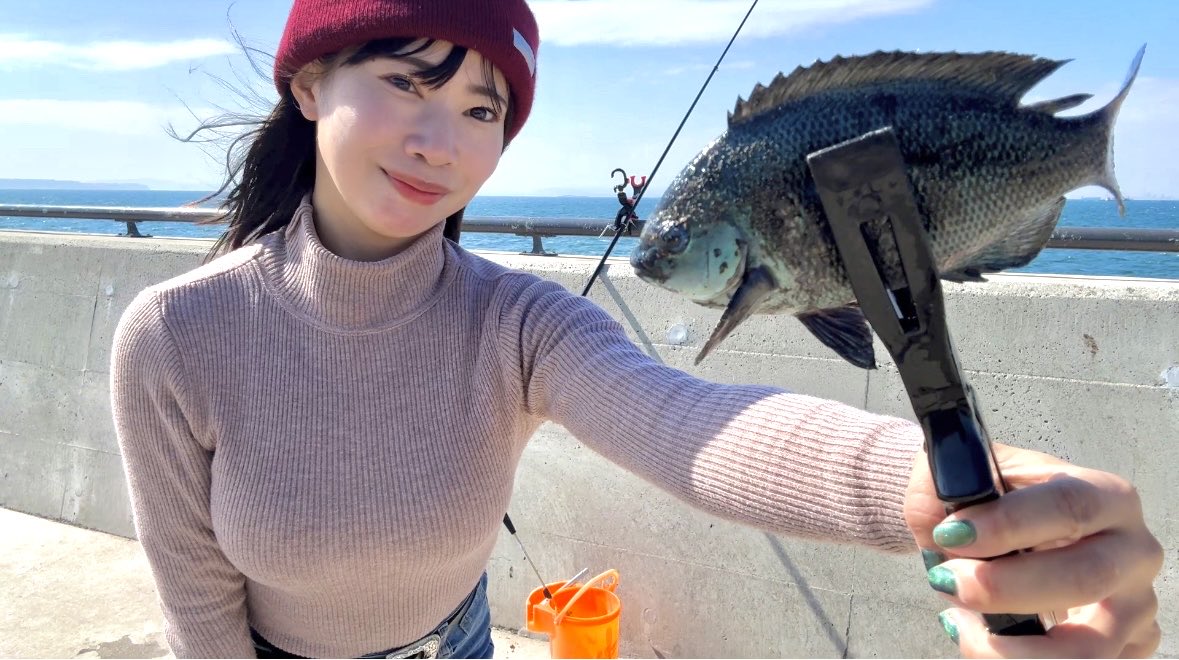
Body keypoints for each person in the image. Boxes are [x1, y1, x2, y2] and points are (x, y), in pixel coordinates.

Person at [108, 0, 1164, 658]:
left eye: (482, 109)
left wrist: (935, 486)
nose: (441, 140)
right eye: (404, 83)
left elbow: (684, 422)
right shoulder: (176, 334)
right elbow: (196, 603)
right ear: (307, 85)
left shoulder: (515, 321)